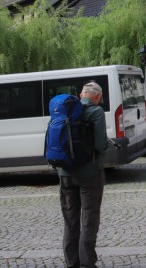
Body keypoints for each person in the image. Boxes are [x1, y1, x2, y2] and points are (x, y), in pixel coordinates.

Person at [58, 82, 108, 268]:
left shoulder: (64, 111)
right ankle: (87, 263)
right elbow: (100, 144)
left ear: (81, 95)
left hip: (65, 173)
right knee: (89, 218)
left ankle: (71, 263)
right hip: (89, 173)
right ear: (97, 96)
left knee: (70, 219)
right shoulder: (96, 112)